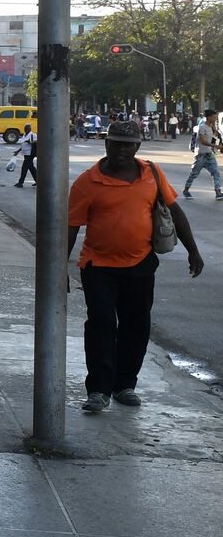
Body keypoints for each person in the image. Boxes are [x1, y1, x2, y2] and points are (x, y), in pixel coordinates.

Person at [67, 121, 203, 413]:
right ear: (106, 144)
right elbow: (71, 228)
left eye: (128, 144)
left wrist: (193, 251)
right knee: (102, 325)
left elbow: (175, 212)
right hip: (98, 266)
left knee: (136, 326)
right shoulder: (87, 182)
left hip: (140, 264)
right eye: (115, 143)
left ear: (137, 146)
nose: (121, 149)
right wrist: (58, 269)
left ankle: (125, 384)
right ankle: (99, 390)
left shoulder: (151, 173)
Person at [181, 110, 222, 199]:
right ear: (208, 117)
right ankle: (186, 190)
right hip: (201, 155)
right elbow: (203, 141)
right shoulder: (202, 127)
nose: (215, 119)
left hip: (209, 154)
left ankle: (218, 192)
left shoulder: (211, 126)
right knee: (194, 174)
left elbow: (213, 138)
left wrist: (215, 129)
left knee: (215, 172)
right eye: (214, 117)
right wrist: (216, 146)